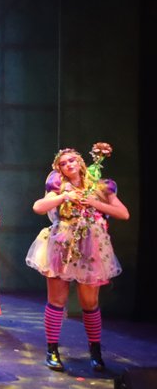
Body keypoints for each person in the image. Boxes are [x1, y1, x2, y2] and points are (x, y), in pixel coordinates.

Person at [26, 143, 128, 372]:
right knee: (57, 300)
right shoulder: (59, 186)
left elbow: (123, 213)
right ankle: (52, 350)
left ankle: (95, 352)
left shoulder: (100, 186)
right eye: (63, 163)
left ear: (81, 162)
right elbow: (38, 207)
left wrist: (94, 203)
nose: (68, 165)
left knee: (89, 302)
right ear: (59, 169)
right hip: (63, 246)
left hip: (91, 247)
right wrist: (65, 196)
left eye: (72, 160)